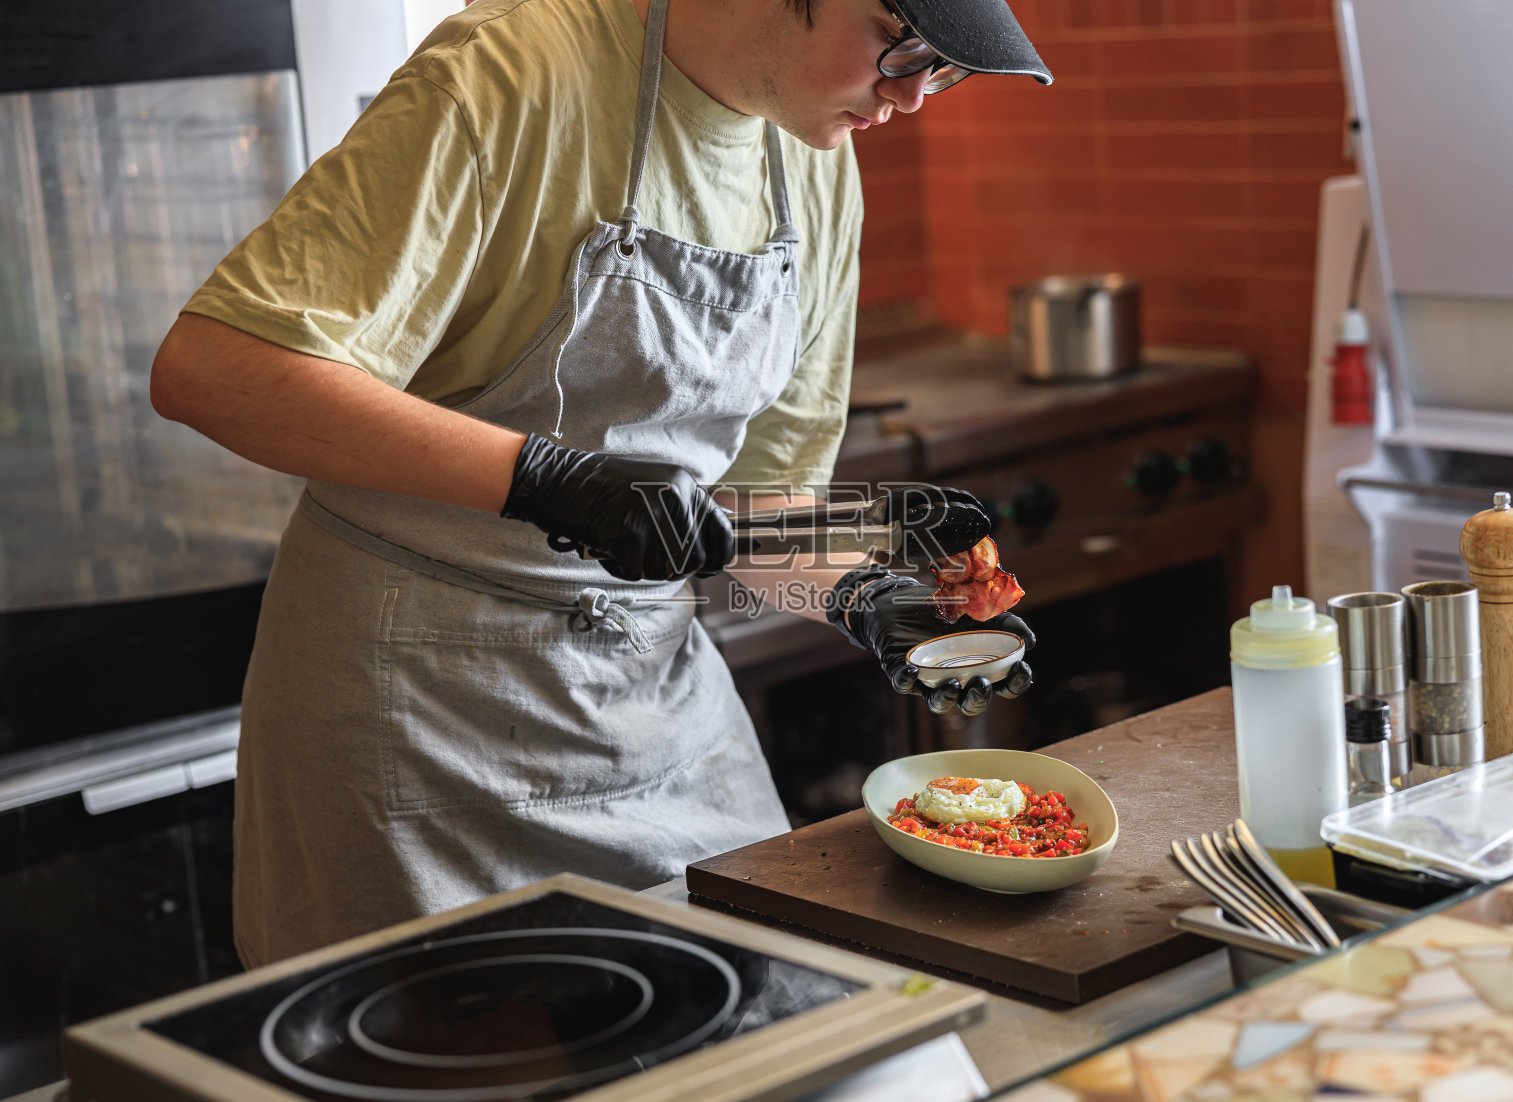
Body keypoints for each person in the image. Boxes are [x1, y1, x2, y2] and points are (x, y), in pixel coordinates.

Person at [150, 0, 1052, 967]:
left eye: (945, 69)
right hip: (416, 708)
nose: (914, 95)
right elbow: (216, 369)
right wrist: (545, 478)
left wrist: (869, 594)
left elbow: (756, 512)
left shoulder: (815, 166)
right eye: (903, 45)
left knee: (779, 1008)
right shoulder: (511, 72)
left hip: (652, 701)